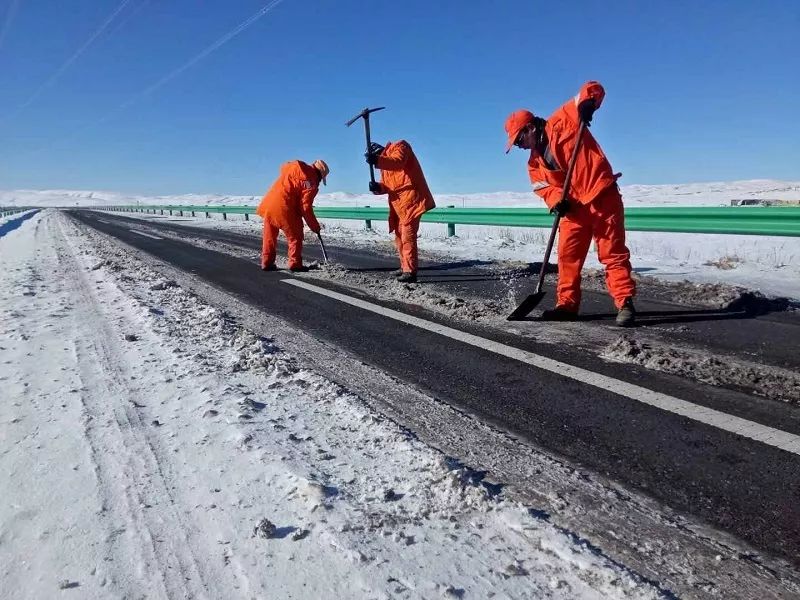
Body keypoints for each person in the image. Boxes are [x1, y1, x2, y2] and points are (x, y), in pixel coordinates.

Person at [504, 81, 637, 327]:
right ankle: (566, 305)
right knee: (567, 258)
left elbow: (592, 88)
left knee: (612, 253)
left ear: (530, 128)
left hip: (601, 196)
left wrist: (589, 104)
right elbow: (542, 188)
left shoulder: (563, 118)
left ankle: (624, 302)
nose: (519, 145)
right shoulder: (534, 164)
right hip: (574, 210)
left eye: (519, 139)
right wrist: (556, 201)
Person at [365, 140, 435, 283]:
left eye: (377, 156)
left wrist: (378, 160)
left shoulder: (400, 146)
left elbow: (398, 162)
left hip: (413, 201)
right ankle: (404, 266)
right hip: (399, 206)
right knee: (399, 236)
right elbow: (390, 186)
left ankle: (410, 271)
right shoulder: (384, 167)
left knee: (407, 237)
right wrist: (378, 187)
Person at [255, 159, 329, 272]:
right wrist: (315, 227)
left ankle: (267, 262)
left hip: (269, 204)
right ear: (320, 175)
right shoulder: (311, 181)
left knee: (269, 235)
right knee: (296, 235)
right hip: (285, 207)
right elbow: (305, 207)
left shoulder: (293, 169)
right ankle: (295, 264)